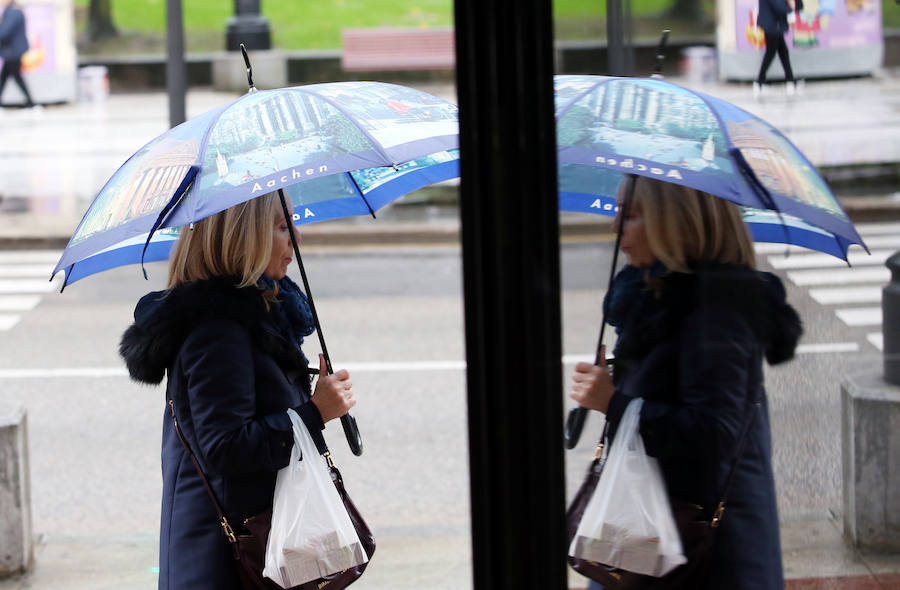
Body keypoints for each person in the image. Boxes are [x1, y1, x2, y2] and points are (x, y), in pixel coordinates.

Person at [569, 175, 801, 590]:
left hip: (701, 542)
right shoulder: (655, 295)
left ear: (675, 224)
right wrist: (620, 378)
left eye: (632, 214)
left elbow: (712, 434)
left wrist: (614, 403)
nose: (615, 224)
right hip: (653, 522)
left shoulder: (717, 309)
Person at [119, 192, 356, 590]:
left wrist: (304, 392)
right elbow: (226, 447)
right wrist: (314, 412)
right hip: (225, 558)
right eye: (282, 226)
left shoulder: (260, 315)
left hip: (257, 542)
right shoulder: (218, 329)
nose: (296, 235)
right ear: (245, 238)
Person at [754, 0, 797, 97]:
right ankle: (759, 82)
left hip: (774, 25)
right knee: (771, 53)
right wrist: (790, 7)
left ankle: (790, 81)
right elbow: (778, 6)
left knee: (783, 53)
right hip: (772, 26)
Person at [0, 0, 36, 108]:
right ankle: (30, 101)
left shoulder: (12, 12)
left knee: (14, 76)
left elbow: (4, 32)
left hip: (13, 51)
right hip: (13, 50)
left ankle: (30, 102)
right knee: (5, 76)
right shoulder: (14, 10)